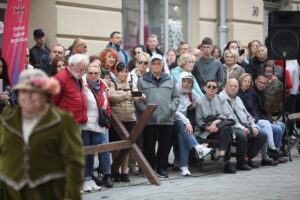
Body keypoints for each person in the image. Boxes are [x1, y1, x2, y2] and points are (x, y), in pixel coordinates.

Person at [0, 69, 84, 200]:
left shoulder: (62, 121)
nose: (28, 96)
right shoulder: (7, 120)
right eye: (23, 91)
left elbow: (74, 161)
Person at [136, 54, 180, 178]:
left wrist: (170, 109)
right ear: (150, 65)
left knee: (164, 145)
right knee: (149, 146)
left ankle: (162, 168)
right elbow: (138, 99)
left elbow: (176, 98)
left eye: (158, 63)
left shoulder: (170, 79)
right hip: (149, 120)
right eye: (153, 63)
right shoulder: (142, 80)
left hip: (166, 118)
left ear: (162, 65)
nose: (156, 65)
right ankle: (149, 167)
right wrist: (146, 112)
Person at [219, 78, 267, 170]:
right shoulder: (222, 98)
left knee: (262, 135)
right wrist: (242, 128)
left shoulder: (238, 99)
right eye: (231, 86)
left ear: (238, 88)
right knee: (242, 135)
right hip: (232, 127)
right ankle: (241, 162)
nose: (233, 88)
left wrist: (253, 126)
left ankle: (247, 158)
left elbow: (248, 115)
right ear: (225, 87)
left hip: (245, 125)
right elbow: (229, 118)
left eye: (235, 86)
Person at [109, 63, 146, 182]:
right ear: (117, 72)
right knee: (116, 146)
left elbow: (137, 96)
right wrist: (124, 95)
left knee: (126, 146)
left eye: (126, 71)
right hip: (116, 120)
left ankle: (124, 171)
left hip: (130, 118)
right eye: (122, 71)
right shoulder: (112, 83)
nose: (124, 74)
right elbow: (110, 96)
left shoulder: (131, 83)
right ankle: (115, 171)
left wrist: (141, 97)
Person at [237, 73, 280, 166]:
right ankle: (266, 153)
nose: (247, 83)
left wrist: (255, 118)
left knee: (269, 125)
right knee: (263, 131)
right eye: (245, 81)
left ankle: (270, 151)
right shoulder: (238, 94)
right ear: (240, 81)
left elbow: (253, 109)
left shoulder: (248, 93)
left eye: (248, 81)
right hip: (243, 121)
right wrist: (252, 119)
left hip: (253, 119)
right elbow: (242, 112)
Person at [82, 63, 113, 191]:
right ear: (86, 73)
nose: (93, 75)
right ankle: (85, 180)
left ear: (99, 74)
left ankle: (89, 180)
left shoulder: (103, 85)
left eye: (96, 73)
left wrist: (107, 117)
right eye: (90, 73)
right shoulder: (82, 84)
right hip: (86, 123)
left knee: (92, 153)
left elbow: (106, 104)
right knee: (85, 152)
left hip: (98, 124)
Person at [174, 72, 212, 176]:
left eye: (189, 82)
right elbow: (174, 112)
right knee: (182, 124)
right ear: (180, 81)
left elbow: (200, 100)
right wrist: (186, 121)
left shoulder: (190, 93)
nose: (187, 84)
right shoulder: (174, 92)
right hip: (171, 122)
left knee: (182, 134)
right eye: (184, 81)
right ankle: (197, 147)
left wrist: (194, 104)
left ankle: (184, 167)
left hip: (184, 125)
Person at [195, 79, 236, 173]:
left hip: (221, 125)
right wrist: (208, 127)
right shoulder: (199, 102)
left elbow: (226, 114)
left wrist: (215, 122)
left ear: (217, 89)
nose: (211, 88)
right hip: (209, 131)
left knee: (226, 129)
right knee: (227, 132)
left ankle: (222, 155)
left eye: (214, 87)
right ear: (204, 88)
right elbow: (199, 120)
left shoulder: (221, 99)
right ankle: (226, 163)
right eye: (209, 86)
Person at [250, 75, 287, 163]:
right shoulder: (252, 93)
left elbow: (264, 111)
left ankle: (274, 153)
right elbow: (255, 112)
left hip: (262, 118)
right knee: (277, 129)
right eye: (260, 82)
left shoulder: (262, 92)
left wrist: (272, 120)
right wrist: (270, 121)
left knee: (281, 124)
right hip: (255, 120)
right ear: (255, 81)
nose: (262, 85)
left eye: (264, 83)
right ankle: (271, 154)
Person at [51, 54, 89, 124]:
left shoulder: (77, 75)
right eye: (81, 69)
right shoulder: (60, 78)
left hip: (78, 122)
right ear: (71, 65)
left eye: (85, 70)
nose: (83, 72)